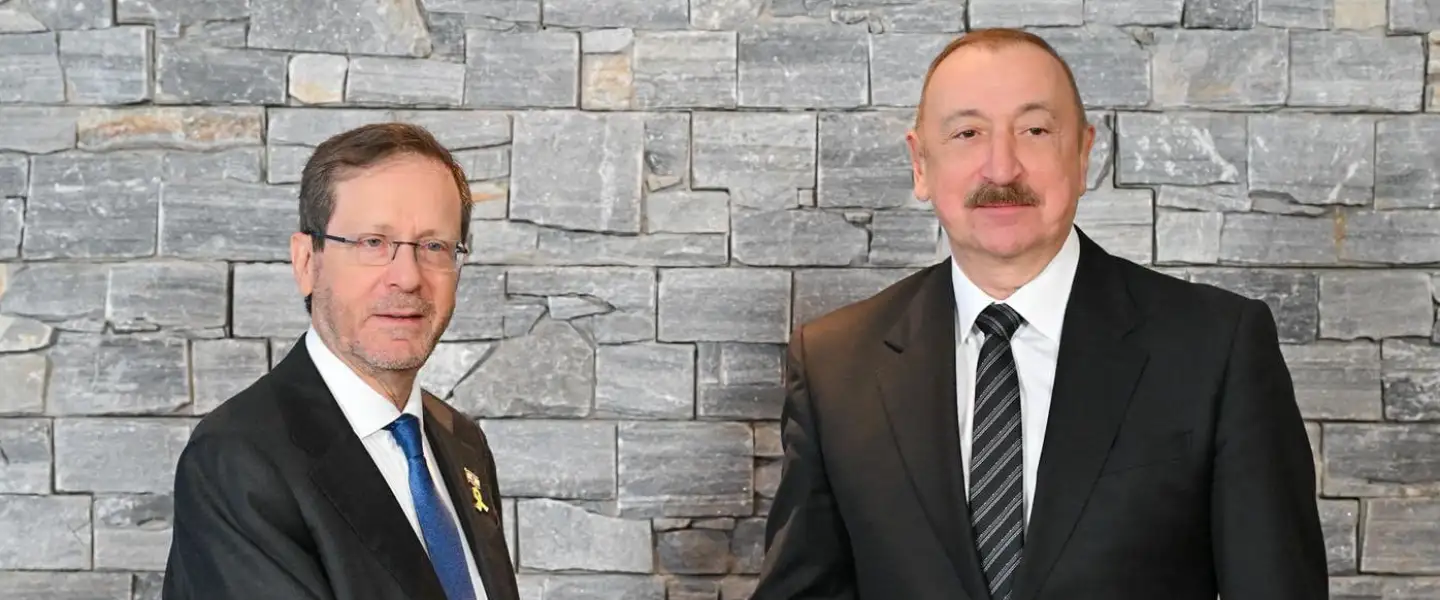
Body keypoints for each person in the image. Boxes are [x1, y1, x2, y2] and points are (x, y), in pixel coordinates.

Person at [752, 28, 1327, 600]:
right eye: (967, 133)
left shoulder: (1217, 348)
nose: (1001, 170)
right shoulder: (834, 366)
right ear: (920, 164)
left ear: (1082, 154)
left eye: (1034, 130)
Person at [163, 123, 519, 600]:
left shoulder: (463, 442)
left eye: (434, 246)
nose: (408, 277)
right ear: (307, 261)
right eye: (373, 242)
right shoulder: (236, 459)